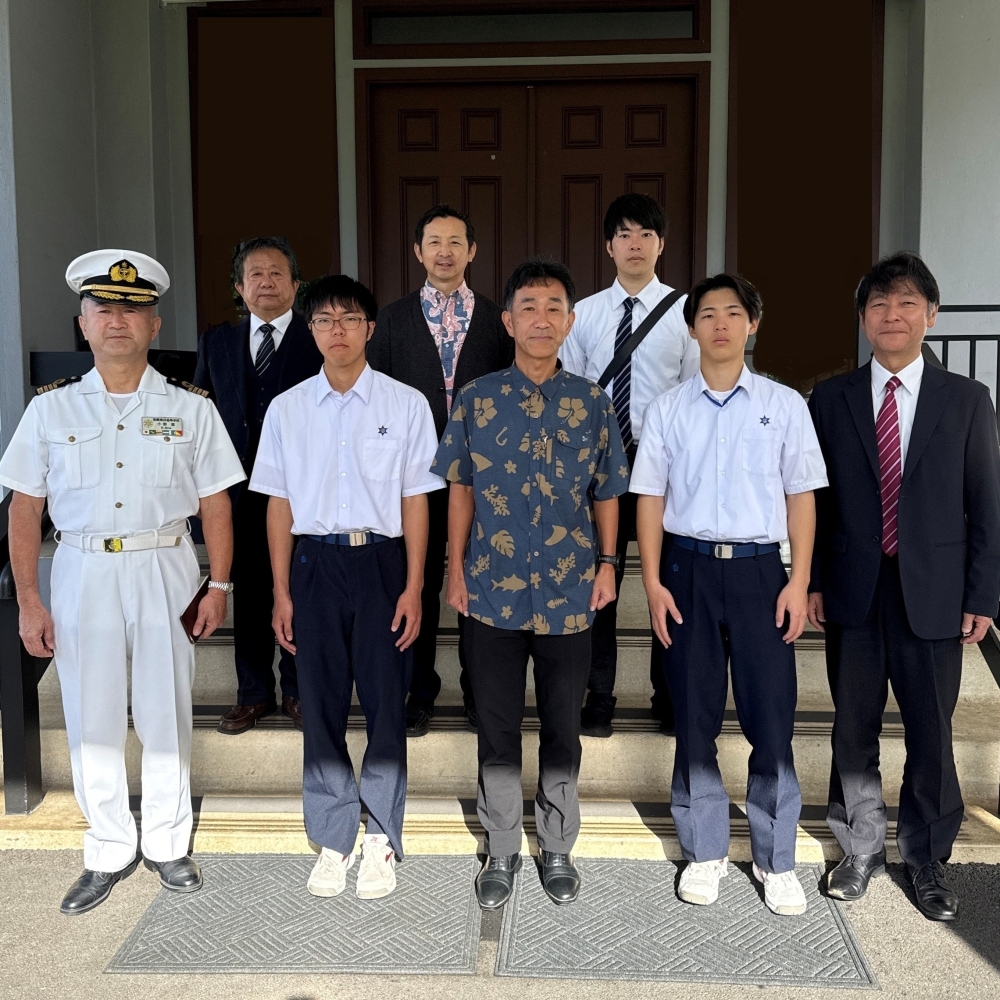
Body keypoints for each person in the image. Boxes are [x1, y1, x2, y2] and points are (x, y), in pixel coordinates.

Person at [0, 250, 245, 914]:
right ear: (83, 324)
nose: (117, 321)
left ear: (154, 325)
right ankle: (107, 847)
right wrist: (29, 599)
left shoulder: (190, 408)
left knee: (166, 707)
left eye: (132, 311)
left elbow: (216, 504)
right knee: (92, 712)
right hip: (82, 568)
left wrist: (219, 586)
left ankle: (167, 842)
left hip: (164, 565)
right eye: (103, 309)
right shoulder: (50, 410)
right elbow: (24, 507)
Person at [807, 252, 1000, 921]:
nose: (893, 315)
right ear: (864, 319)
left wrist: (983, 594)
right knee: (853, 726)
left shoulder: (967, 400)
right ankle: (859, 847)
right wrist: (811, 580)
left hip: (936, 591)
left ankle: (927, 857)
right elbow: (815, 502)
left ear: (932, 315)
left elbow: (987, 503)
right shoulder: (830, 399)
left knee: (931, 730)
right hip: (853, 589)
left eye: (907, 303)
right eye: (879, 304)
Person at [434, 257, 629, 910]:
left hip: (571, 594)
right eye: (529, 307)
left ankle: (557, 845)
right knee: (495, 726)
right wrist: (455, 571)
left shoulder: (592, 402)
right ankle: (500, 847)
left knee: (562, 726)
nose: (541, 319)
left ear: (569, 322)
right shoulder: (476, 398)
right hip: (491, 592)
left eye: (554, 309)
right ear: (508, 321)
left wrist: (609, 565)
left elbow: (607, 492)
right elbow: (461, 490)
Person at [631, 273, 827, 916]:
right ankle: (705, 849)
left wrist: (799, 580)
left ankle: (777, 858)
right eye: (708, 313)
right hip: (686, 571)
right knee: (694, 714)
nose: (720, 323)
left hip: (760, 574)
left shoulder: (783, 404)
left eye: (733, 312)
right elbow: (650, 499)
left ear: (753, 324)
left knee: (771, 717)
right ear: (691, 328)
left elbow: (801, 496)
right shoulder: (668, 409)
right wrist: (652, 582)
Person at [250, 274, 444, 900]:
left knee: (387, 700)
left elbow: (416, 500)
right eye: (325, 320)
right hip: (314, 566)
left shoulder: (405, 404)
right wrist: (281, 591)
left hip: (382, 563)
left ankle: (382, 835)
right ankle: (334, 837)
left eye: (350, 318)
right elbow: (278, 503)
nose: (338, 330)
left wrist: (415, 586)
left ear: (369, 328)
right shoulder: (287, 409)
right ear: (310, 330)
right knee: (320, 700)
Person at [368, 205, 514, 738]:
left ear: (472, 251)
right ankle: (419, 691)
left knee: (482, 583)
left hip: (485, 478)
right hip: (416, 477)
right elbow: (376, 396)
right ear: (418, 251)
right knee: (420, 579)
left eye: (456, 242)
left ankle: (480, 692)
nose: (445, 252)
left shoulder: (499, 320)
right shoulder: (391, 320)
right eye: (434, 242)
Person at [560, 193, 699, 737]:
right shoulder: (585, 314)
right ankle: (599, 694)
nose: (634, 244)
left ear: (661, 244)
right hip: (599, 462)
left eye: (645, 234)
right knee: (602, 576)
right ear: (609, 246)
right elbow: (573, 392)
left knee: (670, 578)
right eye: (624, 234)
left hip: (663, 461)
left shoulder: (686, 313)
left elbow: (692, 394)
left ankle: (669, 692)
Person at [193, 236, 323, 735]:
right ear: (239, 287)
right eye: (255, 275)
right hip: (237, 492)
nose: (266, 283)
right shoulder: (217, 342)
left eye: (276, 274)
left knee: (299, 590)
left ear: (296, 284)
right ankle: (253, 694)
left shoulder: (317, 336)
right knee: (247, 592)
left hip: (302, 489)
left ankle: (298, 690)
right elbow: (201, 415)